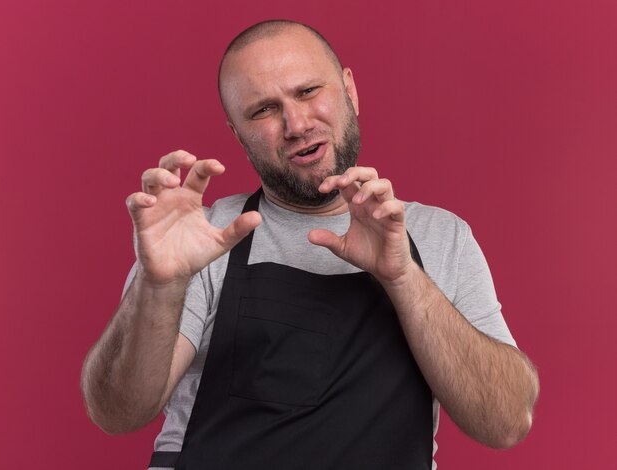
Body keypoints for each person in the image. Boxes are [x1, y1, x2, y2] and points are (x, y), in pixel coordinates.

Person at [81, 19, 539, 470]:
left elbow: (505, 422)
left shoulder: (441, 236)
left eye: (307, 92)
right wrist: (159, 284)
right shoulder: (203, 239)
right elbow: (118, 412)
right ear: (238, 133)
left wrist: (403, 278)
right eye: (263, 110)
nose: (296, 124)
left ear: (350, 92)